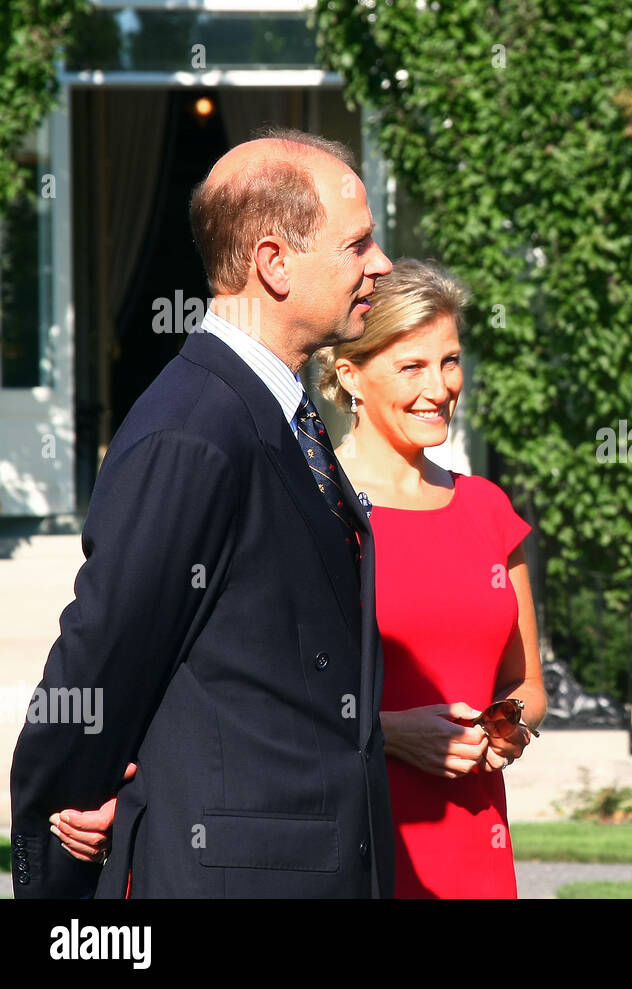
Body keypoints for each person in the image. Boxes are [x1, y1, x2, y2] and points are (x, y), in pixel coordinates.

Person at [11, 129, 396, 897]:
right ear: (273, 263)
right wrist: (59, 825)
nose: (380, 264)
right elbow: (103, 656)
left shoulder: (273, 409)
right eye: (358, 245)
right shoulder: (194, 429)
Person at [318, 258, 546, 898]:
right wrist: (387, 735)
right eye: (411, 366)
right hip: (357, 844)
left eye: (448, 360)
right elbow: (269, 703)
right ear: (350, 376)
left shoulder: (489, 510)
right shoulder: (315, 509)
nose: (440, 386)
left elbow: (526, 683)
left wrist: (507, 726)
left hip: (476, 842)